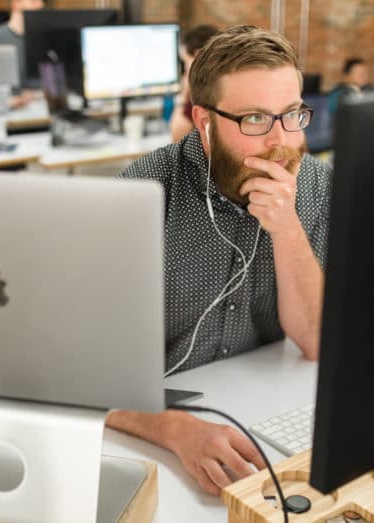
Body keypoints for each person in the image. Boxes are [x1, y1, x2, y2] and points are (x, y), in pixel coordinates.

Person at [109, 25, 332, 495]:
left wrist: (286, 227)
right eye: (255, 119)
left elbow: (315, 341)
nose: (281, 141)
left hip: (265, 410)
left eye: (292, 115)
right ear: (204, 122)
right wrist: (174, 429)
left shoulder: (314, 185)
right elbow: (77, 366)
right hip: (149, 432)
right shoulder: (144, 190)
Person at [0, 0, 44, 106]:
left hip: (39, 103)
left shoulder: (45, 37)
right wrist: (7, 100)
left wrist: (35, 95)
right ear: (16, 4)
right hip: (6, 106)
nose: (41, 4)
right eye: (34, 1)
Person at [169, 24, 218, 142]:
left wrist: (184, 93)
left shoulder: (203, 91)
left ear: (197, 55)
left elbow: (177, 137)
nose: (185, 69)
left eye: (186, 61)